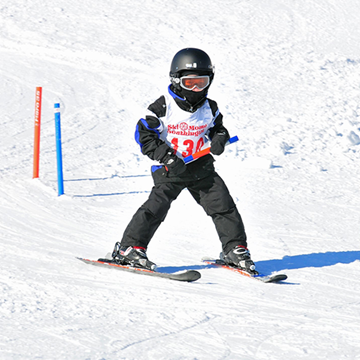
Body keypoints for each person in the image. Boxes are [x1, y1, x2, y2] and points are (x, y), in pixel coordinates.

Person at [112, 48, 256, 274]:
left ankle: (235, 249)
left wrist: (219, 138)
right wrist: (166, 156)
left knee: (223, 206)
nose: (197, 89)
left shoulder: (210, 107)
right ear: (177, 81)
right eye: (190, 83)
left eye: (202, 82)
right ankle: (130, 248)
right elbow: (144, 135)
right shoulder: (162, 107)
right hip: (172, 167)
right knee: (156, 208)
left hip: (201, 166)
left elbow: (217, 129)